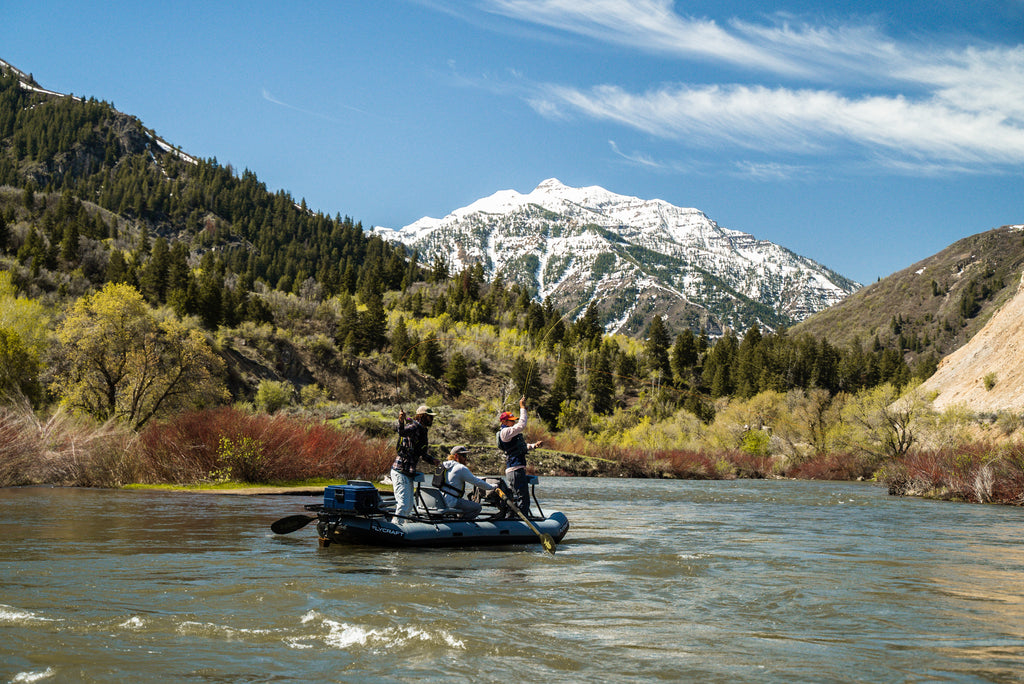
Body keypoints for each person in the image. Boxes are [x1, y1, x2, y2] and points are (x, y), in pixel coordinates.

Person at [391, 404, 438, 524]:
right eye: (430, 417)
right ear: (422, 416)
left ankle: (403, 528)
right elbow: (401, 432)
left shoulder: (422, 430)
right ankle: (395, 528)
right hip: (400, 470)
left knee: (409, 505)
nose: (432, 419)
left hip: (408, 472)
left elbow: (421, 453)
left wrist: (433, 461)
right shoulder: (414, 426)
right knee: (403, 504)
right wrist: (401, 420)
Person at [496, 395, 542, 517]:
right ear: (504, 422)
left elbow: (519, 447)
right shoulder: (505, 432)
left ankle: (514, 518)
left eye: (514, 420)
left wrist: (533, 446)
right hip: (515, 470)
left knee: (516, 497)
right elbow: (522, 425)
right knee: (523, 498)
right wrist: (522, 408)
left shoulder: (508, 434)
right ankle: (521, 520)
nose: (514, 422)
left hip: (514, 470)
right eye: (511, 420)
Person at [438, 446, 497, 520]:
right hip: (452, 502)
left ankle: (456, 520)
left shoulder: (444, 466)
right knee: (477, 508)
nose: (466, 458)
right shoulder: (460, 468)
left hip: (441, 500)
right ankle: (461, 523)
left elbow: (471, 478)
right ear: (456, 456)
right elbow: (476, 482)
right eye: (464, 456)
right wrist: (491, 487)